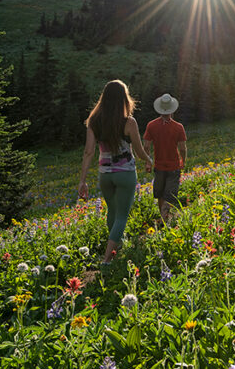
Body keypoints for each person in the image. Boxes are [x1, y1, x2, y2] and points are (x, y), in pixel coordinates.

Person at [77, 80, 152, 265]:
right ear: (123, 99)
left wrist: (82, 181)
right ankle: (107, 260)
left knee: (112, 211)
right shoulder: (129, 122)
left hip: (105, 175)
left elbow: (88, 152)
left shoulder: (94, 121)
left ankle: (116, 246)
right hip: (125, 173)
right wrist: (149, 160)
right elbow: (139, 150)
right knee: (122, 216)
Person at [143, 93, 187, 223]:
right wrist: (183, 161)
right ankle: (164, 217)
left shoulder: (151, 125)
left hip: (158, 165)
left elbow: (146, 146)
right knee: (170, 194)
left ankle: (163, 217)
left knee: (160, 193)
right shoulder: (178, 127)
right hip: (174, 165)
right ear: (172, 109)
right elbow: (183, 148)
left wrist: (148, 162)